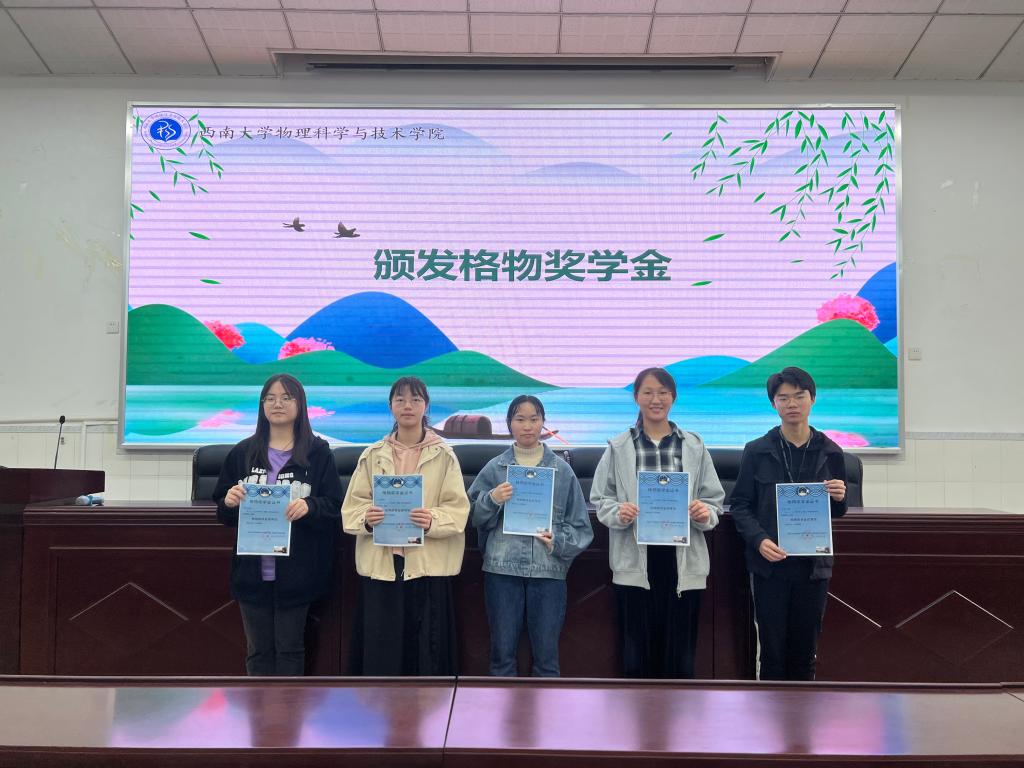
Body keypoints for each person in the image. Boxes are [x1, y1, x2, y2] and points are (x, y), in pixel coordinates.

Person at [591, 367, 724, 679]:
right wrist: (619, 512)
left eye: (663, 392)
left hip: (682, 563)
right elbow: (600, 498)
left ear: (673, 397)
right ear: (636, 397)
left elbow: (714, 501)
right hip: (635, 561)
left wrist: (703, 512)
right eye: (648, 392)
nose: (656, 399)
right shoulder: (618, 446)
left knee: (680, 659)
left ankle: (678, 711)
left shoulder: (694, 446)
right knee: (636, 657)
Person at [214, 373, 342, 676]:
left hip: (298, 572)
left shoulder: (317, 453)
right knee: (257, 651)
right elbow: (222, 510)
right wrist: (229, 502)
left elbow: (335, 506)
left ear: (300, 404)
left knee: (290, 649)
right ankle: (259, 708)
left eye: (286, 397)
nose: (277, 404)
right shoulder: (243, 452)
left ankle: (287, 708)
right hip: (252, 572)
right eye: (270, 398)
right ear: (262, 406)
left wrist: (309, 506)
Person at [341, 376, 470, 676]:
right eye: (400, 399)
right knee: (381, 655)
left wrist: (432, 520)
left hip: (427, 568)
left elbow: (458, 510)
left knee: (426, 656)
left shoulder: (445, 455)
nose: (407, 406)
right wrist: (367, 519)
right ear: (391, 406)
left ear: (426, 406)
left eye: (415, 399)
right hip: (383, 566)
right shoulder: (373, 454)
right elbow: (351, 509)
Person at [729, 366, 848, 681]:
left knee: (805, 653)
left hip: (813, 568)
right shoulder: (757, 451)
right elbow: (740, 505)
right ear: (774, 404)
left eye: (799, 396)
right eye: (783, 398)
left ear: (812, 399)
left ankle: (802, 712)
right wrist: (759, 540)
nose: (792, 403)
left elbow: (838, 512)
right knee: (772, 654)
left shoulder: (831, 452)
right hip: (770, 567)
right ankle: (771, 712)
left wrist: (839, 497)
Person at [468, 395, 594, 677]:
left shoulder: (562, 471)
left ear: (543, 423)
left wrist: (558, 541)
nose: (527, 426)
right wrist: (492, 499)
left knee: (547, 660)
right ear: (509, 424)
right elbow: (473, 516)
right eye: (520, 419)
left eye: (534, 419)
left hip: (548, 573)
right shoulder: (494, 468)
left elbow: (582, 528)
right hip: (501, 571)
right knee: (502, 658)